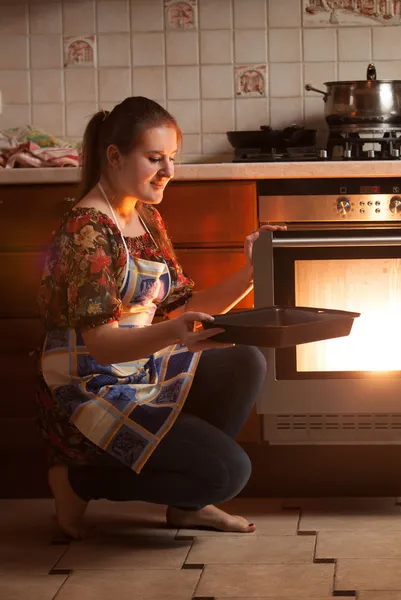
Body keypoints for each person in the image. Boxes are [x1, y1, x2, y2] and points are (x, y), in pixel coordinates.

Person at [36, 96, 282, 540]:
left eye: (172, 158)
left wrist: (253, 271)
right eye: (155, 159)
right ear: (114, 156)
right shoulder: (87, 230)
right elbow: (101, 345)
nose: (169, 171)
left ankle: (186, 506)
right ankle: (77, 480)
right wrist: (172, 333)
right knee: (229, 473)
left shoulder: (146, 218)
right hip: (89, 382)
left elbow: (181, 308)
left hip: (139, 362)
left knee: (245, 358)